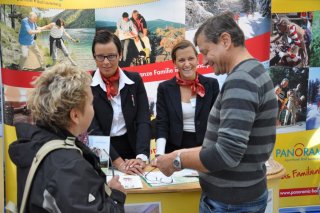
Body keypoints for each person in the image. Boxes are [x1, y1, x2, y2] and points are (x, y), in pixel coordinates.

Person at [155, 12, 278, 213]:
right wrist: (177, 153)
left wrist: (177, 160)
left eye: (205, 52)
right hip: (236, 199)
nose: (203, 61)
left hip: (230, 203)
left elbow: (226, 153)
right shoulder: (252, 71)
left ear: (225, 41)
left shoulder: (241, 80)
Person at [9, 64, 126, 212]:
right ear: (75, 115)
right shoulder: (69, 166)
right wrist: (116, 196)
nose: (93, 107)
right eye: (91, 103)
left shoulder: (36, 144)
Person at [89, 30, 151, 175]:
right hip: (100, 150)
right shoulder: (87, 84)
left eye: (111, 56)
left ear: (120, 54)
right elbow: (93, 129)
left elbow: (143, 119)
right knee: (107, 186)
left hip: (131, 148)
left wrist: (141, 157)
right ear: (94, 56)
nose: (105, 62)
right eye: (100, 57)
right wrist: (118, 162)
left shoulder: (134, 80)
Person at [155, 40, 219, 155]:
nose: (187, 64)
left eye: (190, 58)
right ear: (174, 63)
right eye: (181, 60)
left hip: (205, 148)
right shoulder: (164, 88)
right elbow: (162, 123)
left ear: (197, 59)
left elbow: (218, 121)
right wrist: (159, 154)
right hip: (174, 150)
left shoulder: (212, 85)